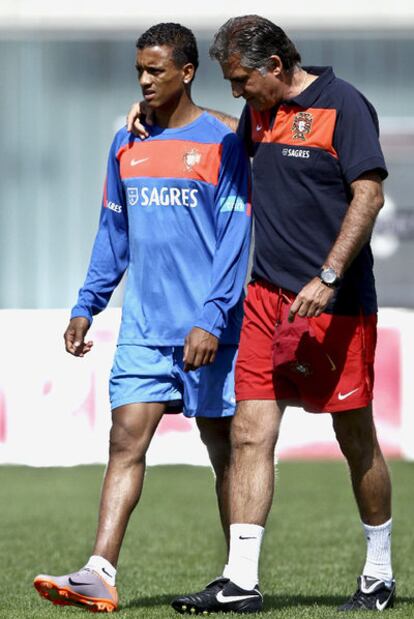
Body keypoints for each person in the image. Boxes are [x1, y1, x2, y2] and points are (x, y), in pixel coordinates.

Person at [151, 15, 391, 614]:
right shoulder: (257, 114)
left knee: (354, 437)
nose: (237, 92)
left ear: (276, 67)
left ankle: (380, 572)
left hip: (334, 306)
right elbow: (227, 142)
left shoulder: (345, 106)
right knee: (250, 433)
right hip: (264, 301)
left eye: (241, 80)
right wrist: (156, 121)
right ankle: (241, 580)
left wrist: (328, 277)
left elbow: (370, 194)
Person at [33, 22, 251, 613]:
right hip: (144, 332)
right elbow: (114, 232)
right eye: (139, 71)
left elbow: (235, 239)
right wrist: (88, 303)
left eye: (156, 70)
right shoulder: (125, 143)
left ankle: (238, 577)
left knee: (224, 450)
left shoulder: (225, 143)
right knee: (125, 442)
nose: (145, 80)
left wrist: (212, 316)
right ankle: (98, 572)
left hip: (212, 332)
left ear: (186, 72)